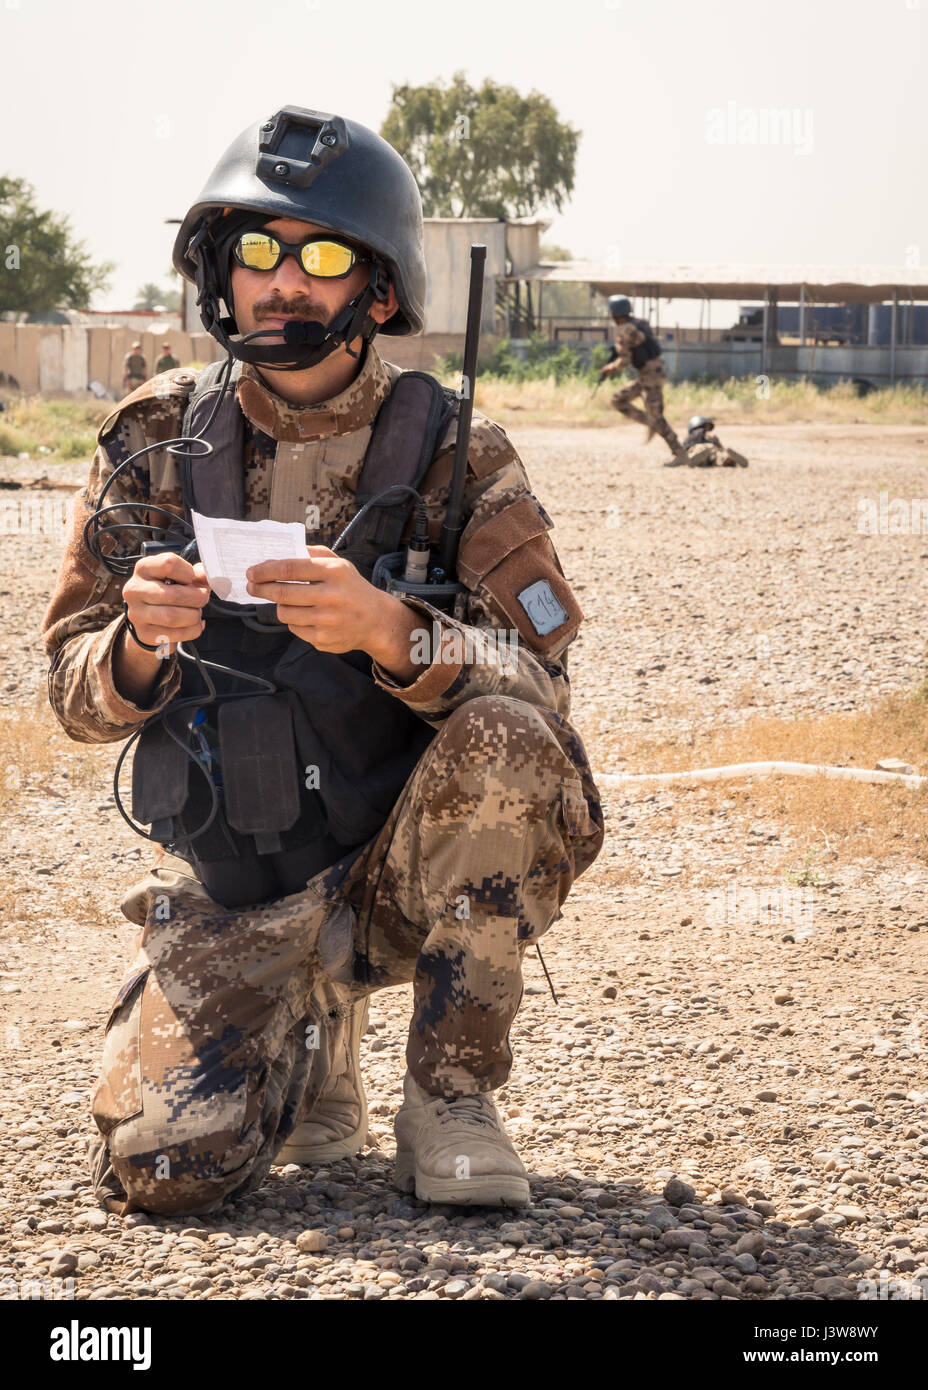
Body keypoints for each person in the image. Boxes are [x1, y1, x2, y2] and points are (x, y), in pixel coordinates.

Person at [40, 104, 604, 1217]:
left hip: (402, 869)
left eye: (323, 254)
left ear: (379, 292)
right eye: (256, 250)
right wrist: (141, 644)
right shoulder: (153, 441)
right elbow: (68, 692)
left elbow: (546, 695)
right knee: (165, 1170)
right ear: (219, 271)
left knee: (506, 736)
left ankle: (448, 1095)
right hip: (241, 884)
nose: (282, 280)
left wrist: (396, 635)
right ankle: (312, 1040)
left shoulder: (456, 452)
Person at [599, 296, 685, 463]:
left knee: (657, 417)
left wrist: (610, 369)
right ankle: (651, 422)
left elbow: (624, 359)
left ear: (615, 313)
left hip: (650, 377)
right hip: (647, 375)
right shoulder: (640, 323)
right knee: (618, 401)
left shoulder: (626, 329)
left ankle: (680, 452)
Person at [682, 415, 749, 468]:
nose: (706, 429)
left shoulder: (710, 437)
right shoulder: (695, 435)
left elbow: (720, 448)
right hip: (701, 451)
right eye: (705, 427)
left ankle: (727, 460)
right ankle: (726, 459)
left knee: (716, 454)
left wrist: (717, 444)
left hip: (709, 454)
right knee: (703, 449)